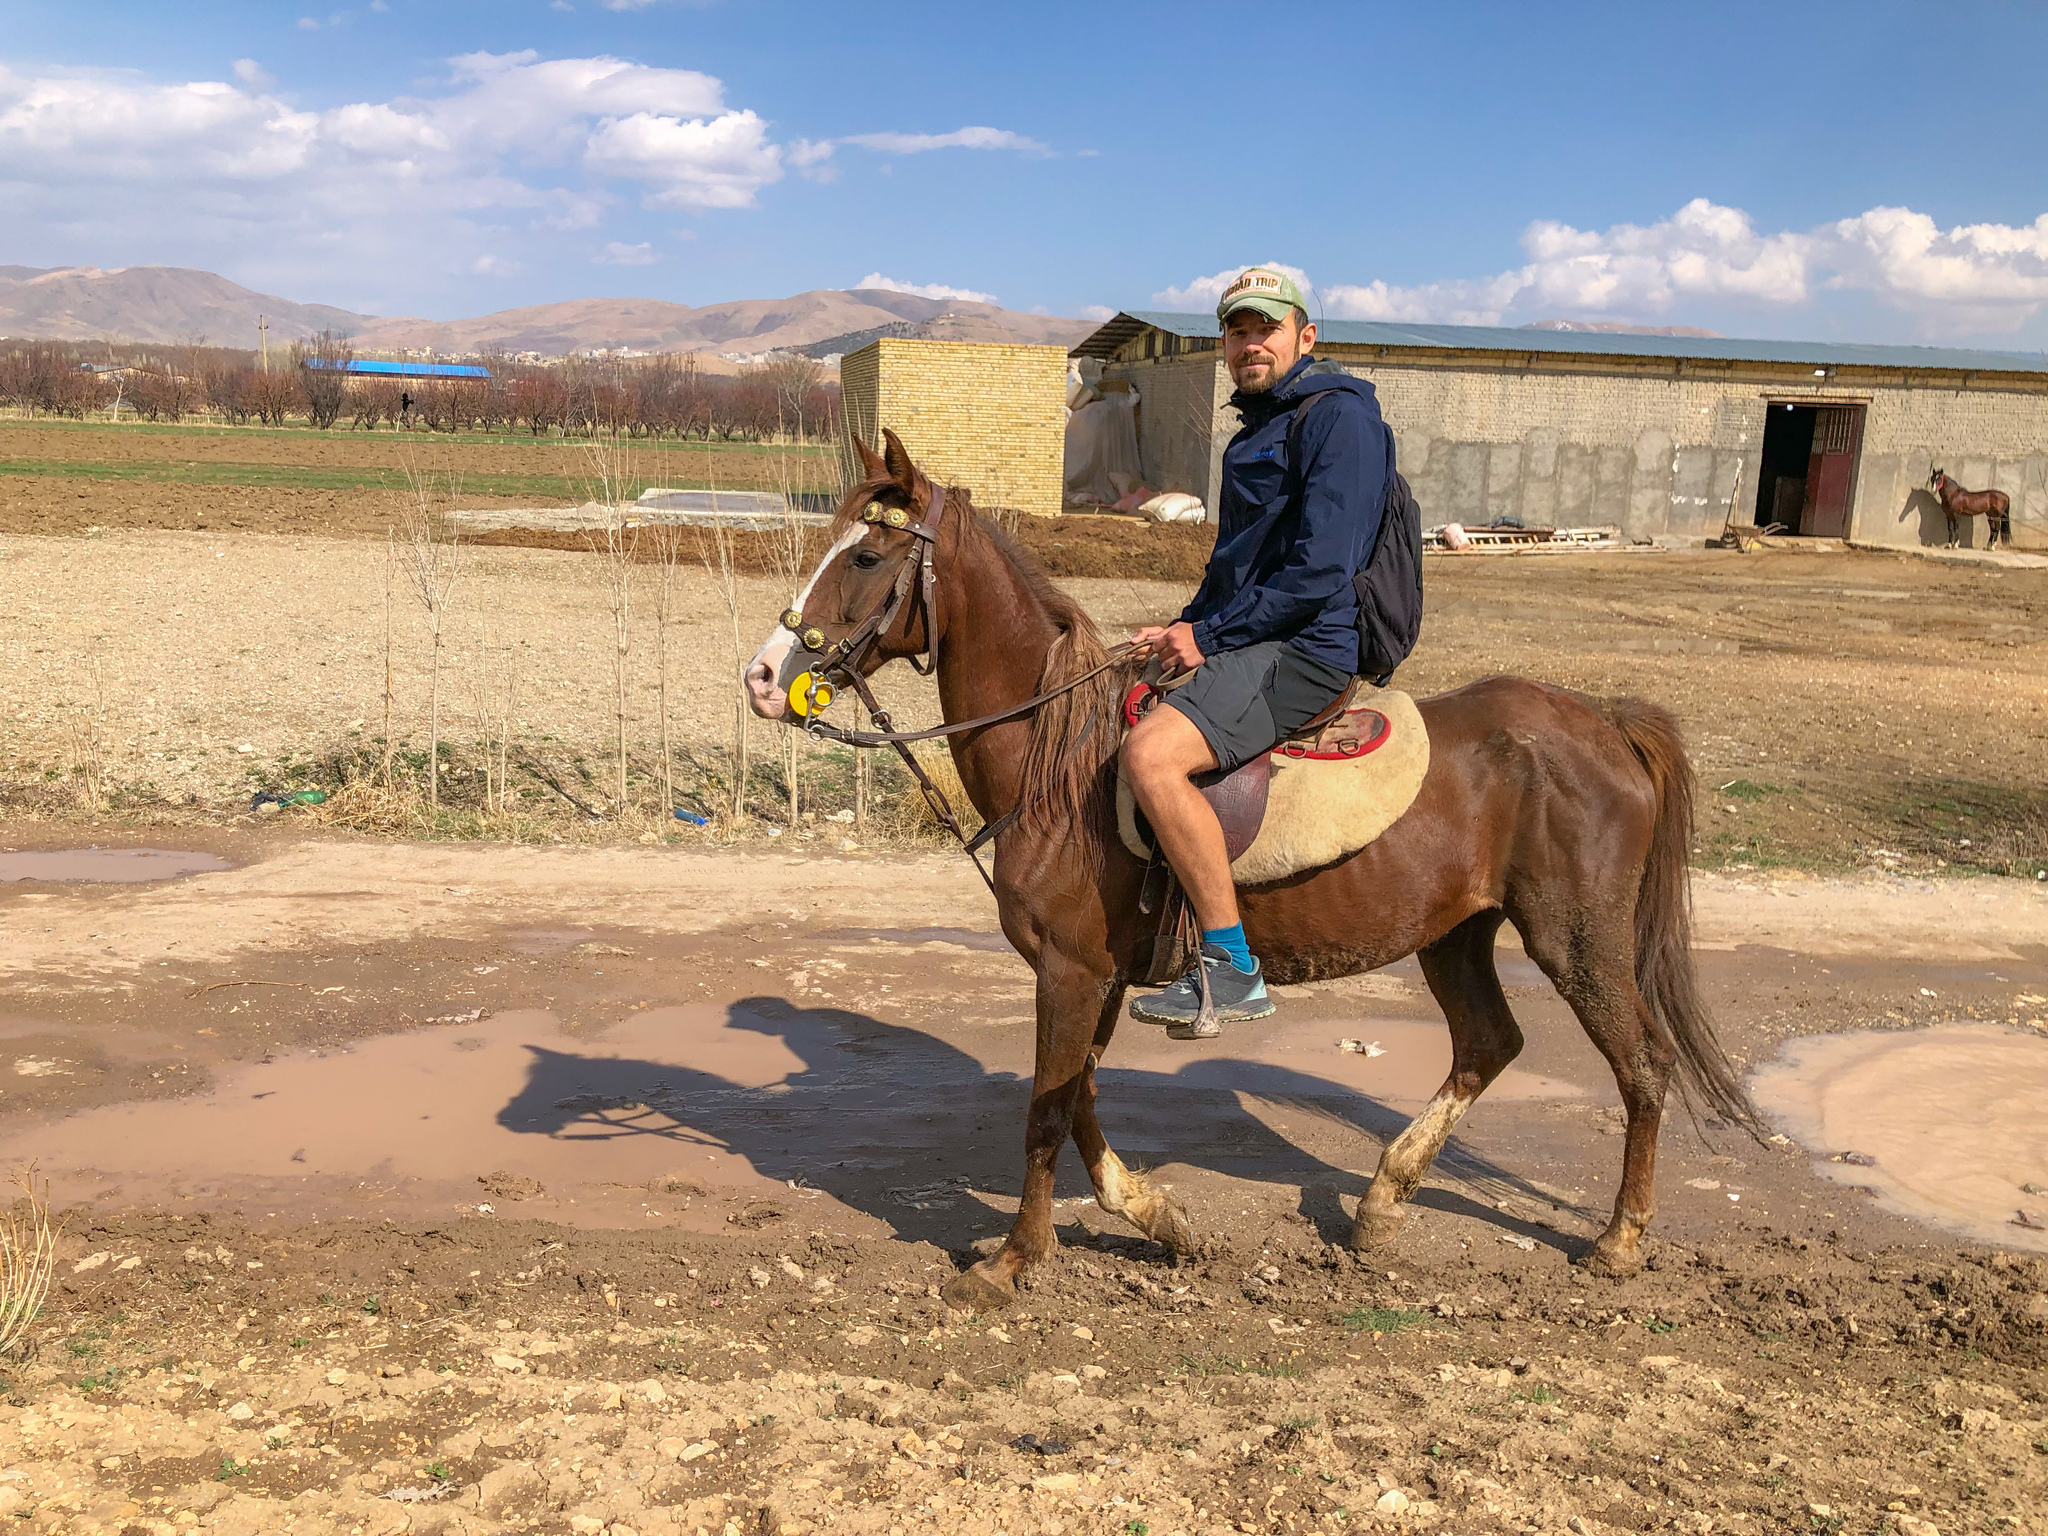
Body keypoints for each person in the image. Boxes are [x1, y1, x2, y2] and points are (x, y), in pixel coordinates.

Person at [1124, 266, 1392, 1031]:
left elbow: (1322, 568)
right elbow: (1233, 566)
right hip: (1256, 635)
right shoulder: (1260, 424)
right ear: (1223, 344)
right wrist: (1181, 625)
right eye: (1238, 329)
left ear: (1305, 337)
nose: (1251, 342)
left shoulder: (1338, 421)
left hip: (1306, 648)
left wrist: (1208, 637)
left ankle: (1230, 966)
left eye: (1266, 328)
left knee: (1151, 756)